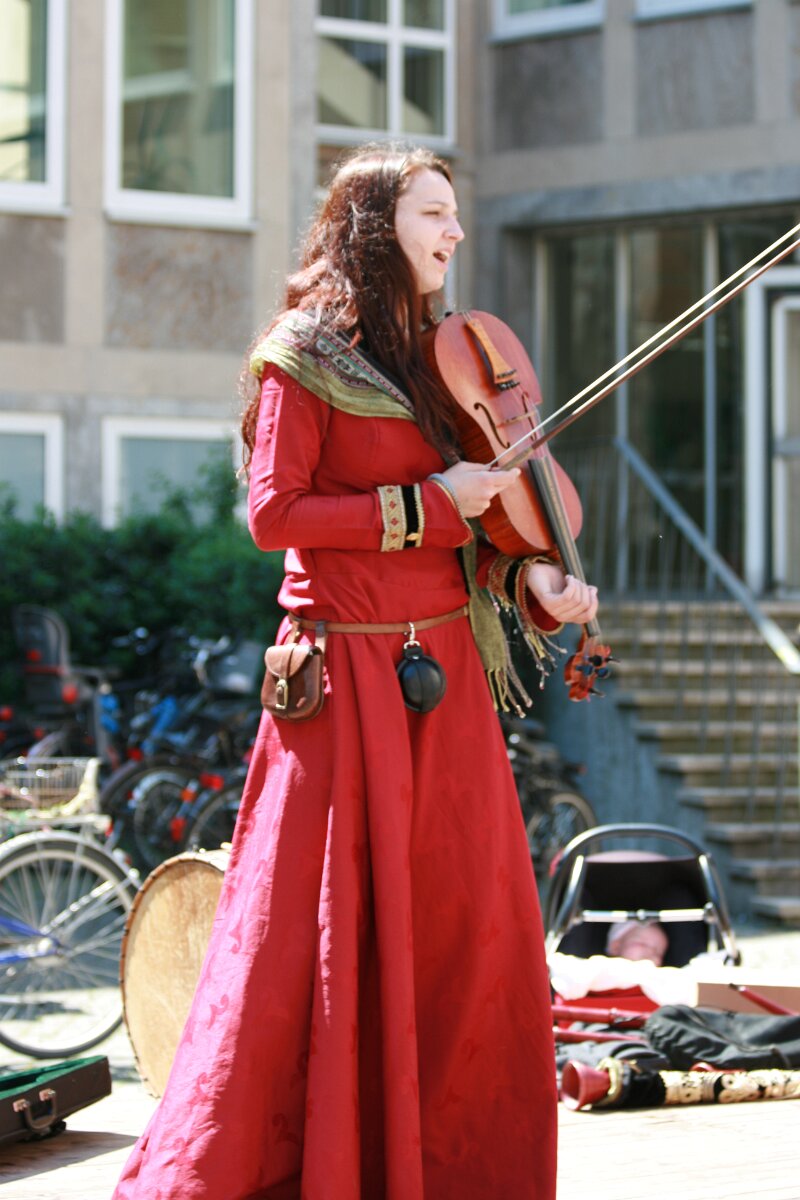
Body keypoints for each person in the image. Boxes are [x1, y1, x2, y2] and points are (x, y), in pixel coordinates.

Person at [112, 144, 598, 1200]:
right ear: (378, 227)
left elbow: (478, 536)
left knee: (467, 932)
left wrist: (535, 583)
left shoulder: (443, 364)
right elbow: (272, 514)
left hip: (446, 681)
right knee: (316, 940)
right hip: (344, 686)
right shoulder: (300, 355)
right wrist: (426, 505)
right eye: (433, 212)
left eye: (456, 213)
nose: (455, 231)